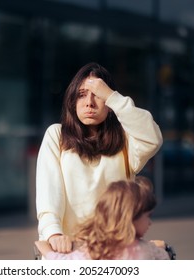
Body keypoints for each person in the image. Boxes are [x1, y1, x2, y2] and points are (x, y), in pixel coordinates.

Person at [36, 62, 162, 253]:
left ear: (109, 105)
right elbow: (49, 191)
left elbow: (152, 139)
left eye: (98, 95)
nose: (89, 103)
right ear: (72, 100)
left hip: (117, 248)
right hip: (69, 249)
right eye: (82, 95)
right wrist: (53, 233)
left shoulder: (126, 139)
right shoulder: (57, 136)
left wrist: (113, 97)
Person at [35, 177, 170, 260]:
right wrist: (160, 247)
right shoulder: (147, 251)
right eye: (148, 216)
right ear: (131, 217)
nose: (150, 223)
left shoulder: (95, 251)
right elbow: (165, 260)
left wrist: (46, 250)